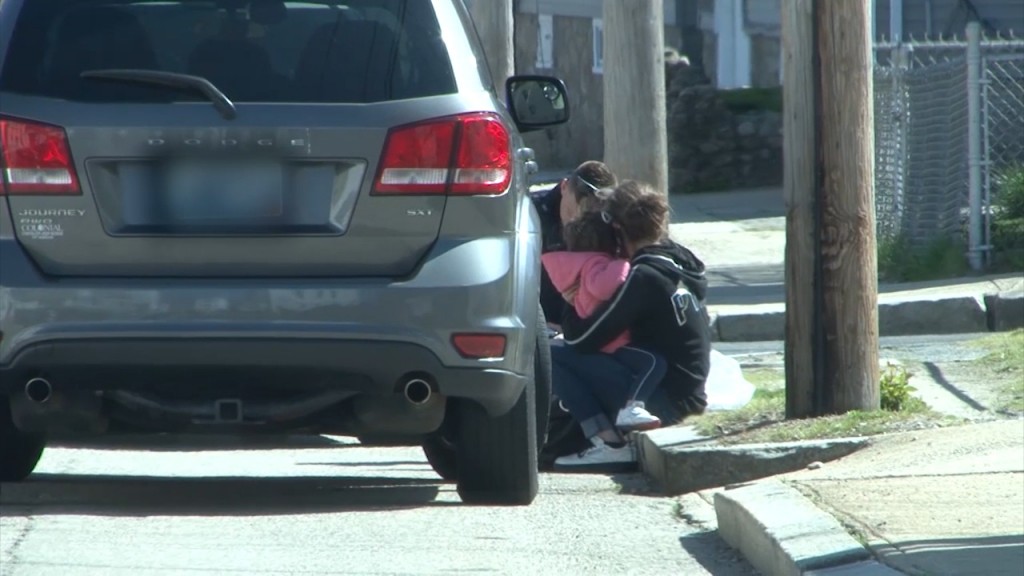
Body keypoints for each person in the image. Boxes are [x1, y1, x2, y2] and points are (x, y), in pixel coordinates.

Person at [550, 180, 712, 470]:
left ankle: (610, 443)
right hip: (691, 398)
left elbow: (582, 340)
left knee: (550, 354)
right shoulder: (681, 264)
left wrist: (571, 300)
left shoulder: (643, 276)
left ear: (616, 229)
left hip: (664, 405)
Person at [541, 211, 666, 431]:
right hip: (613, 344)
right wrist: (624, 262)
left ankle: (616, 419)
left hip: (598, 343)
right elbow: (606, 286)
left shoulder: (574, 266)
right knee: (654, 363)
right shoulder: (596, 264)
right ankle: (633, 406)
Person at [531, 161, 618, 324]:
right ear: (564, 186)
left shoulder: (608, 219)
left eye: (586, 218)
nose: (576, 224)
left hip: (584, 316)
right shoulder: (530, 213)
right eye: (571, 214)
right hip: (537, 318)